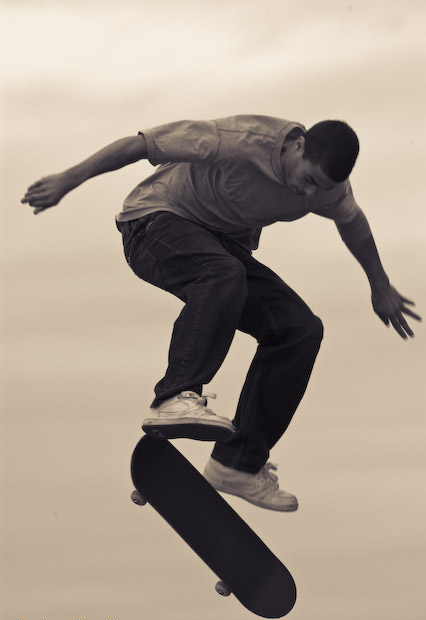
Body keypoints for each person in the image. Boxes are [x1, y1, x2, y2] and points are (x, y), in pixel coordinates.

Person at [21, 115, 421, 512]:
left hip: (219, 247)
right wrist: (67, 180)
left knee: (300, 329)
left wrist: (380, 284)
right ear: (299, 148)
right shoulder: (239, 140)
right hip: (152, 222)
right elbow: (139, 145)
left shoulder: (327, 190)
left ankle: (237, 464)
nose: (308, 192)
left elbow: (353, 222)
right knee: (222, 272)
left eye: (322, 188)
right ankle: (175, 395)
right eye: (309, 179)